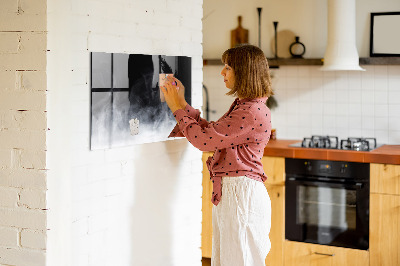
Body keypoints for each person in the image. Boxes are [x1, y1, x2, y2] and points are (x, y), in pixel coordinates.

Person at [161, 44, 273, 266]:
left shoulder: (250, 111)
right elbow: (212, 133)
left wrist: (176, 108)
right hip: (236, 193)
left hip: (241, 195)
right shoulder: (246, 106)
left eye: (228, 67)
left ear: (244, 72)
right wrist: (182, 104)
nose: (222, 72)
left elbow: (204, 141)